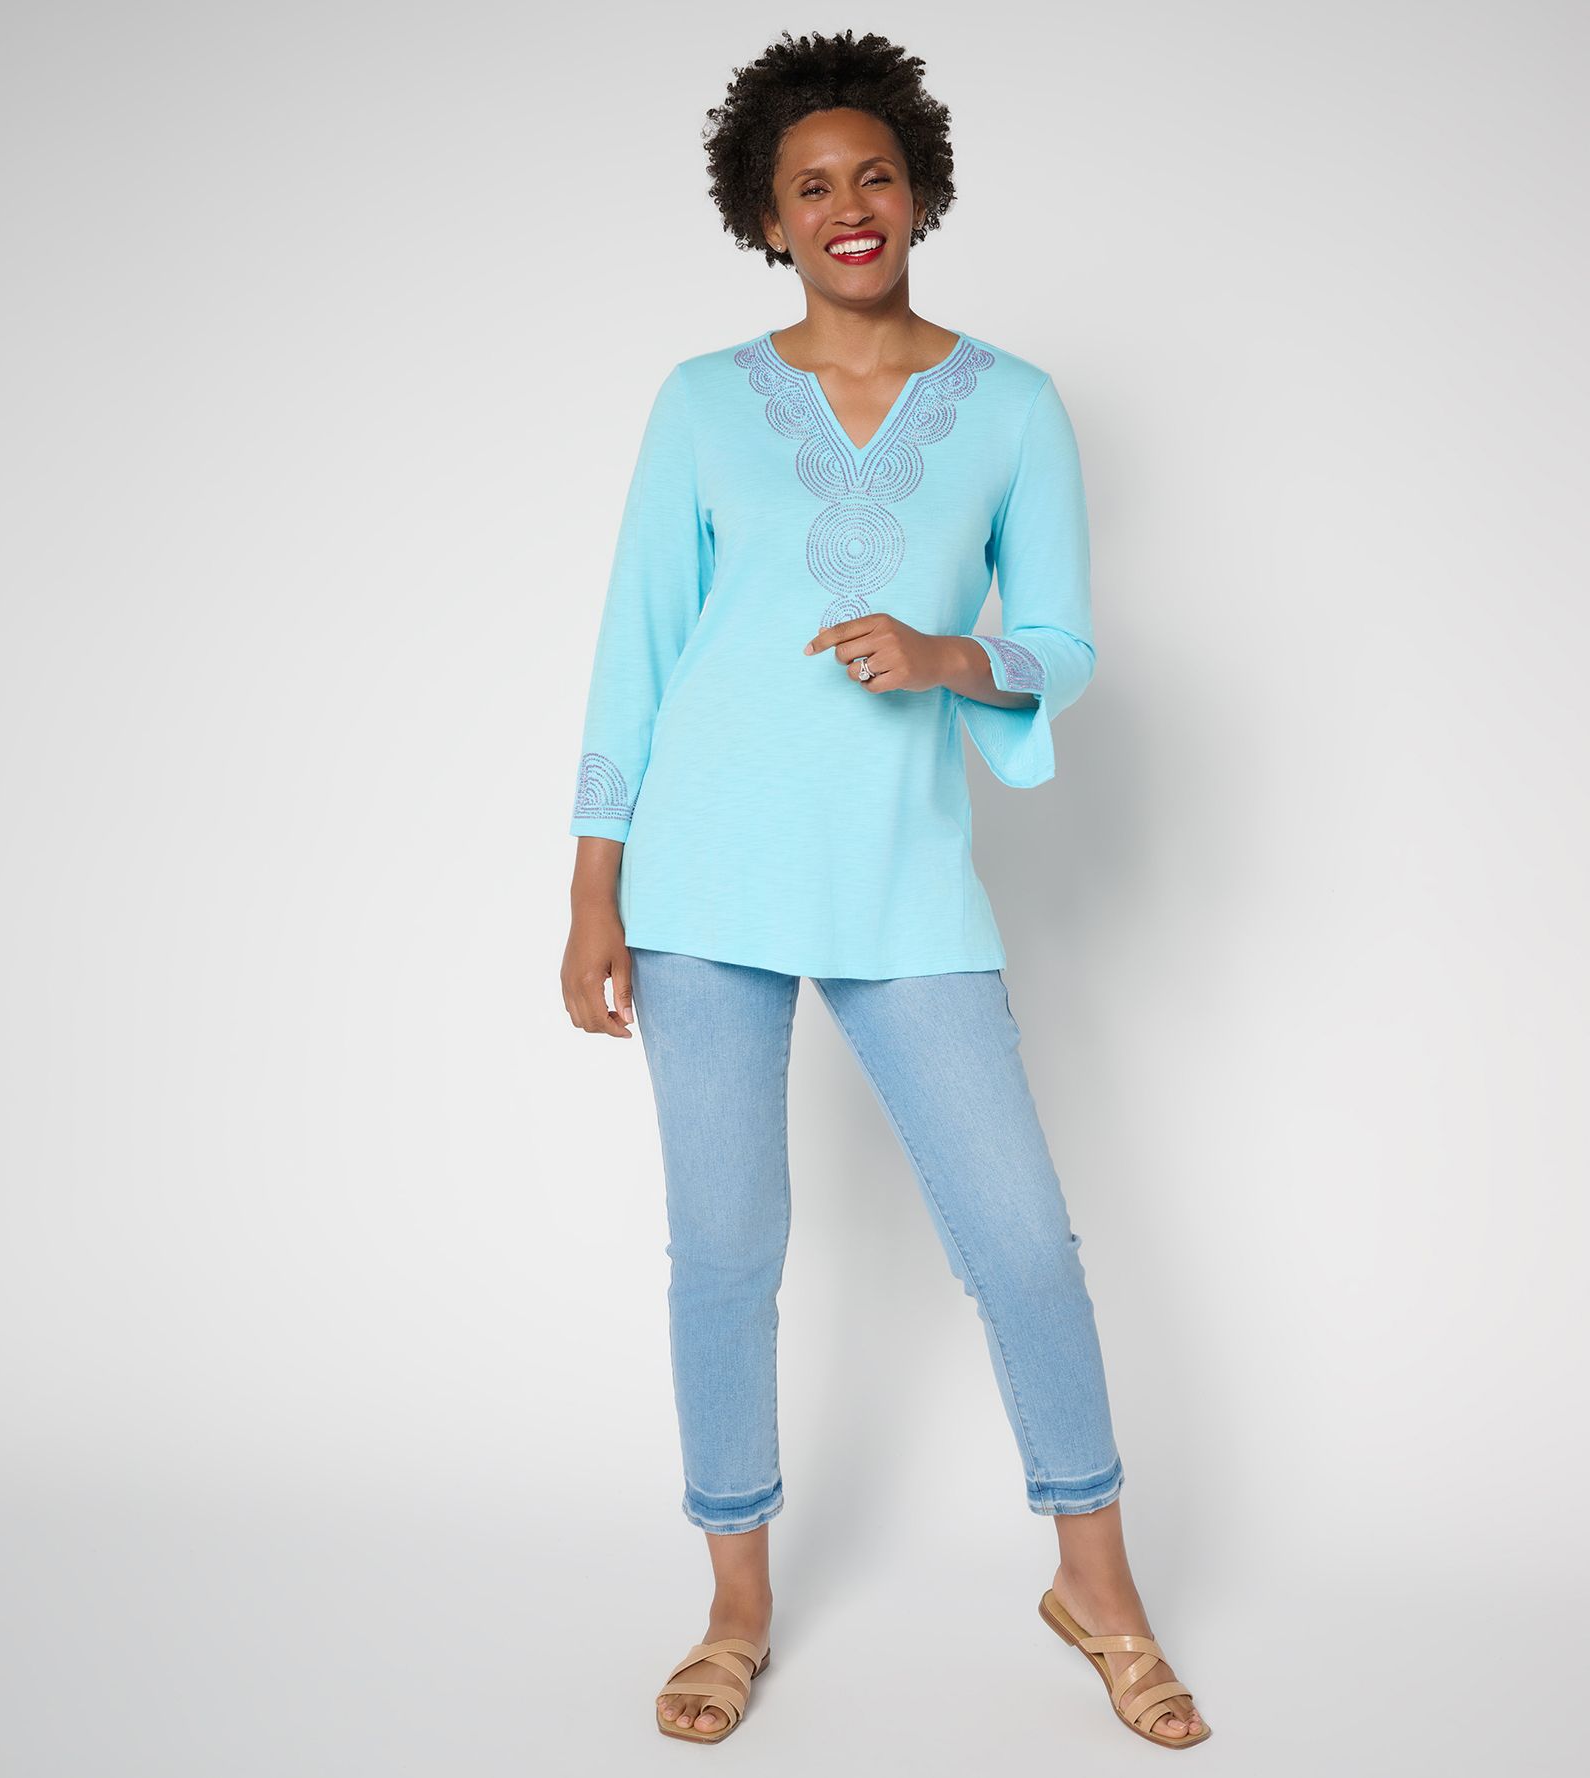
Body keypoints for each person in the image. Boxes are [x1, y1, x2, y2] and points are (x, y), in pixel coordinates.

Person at [560, 29, 1211, 1751]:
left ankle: (1098, 1585)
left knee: (1022, 1243)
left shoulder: (1014, 408)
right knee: (724, 1251)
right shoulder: (702, 402)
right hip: (698, 882)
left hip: (902, 880)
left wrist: (947, 653)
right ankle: (736, 1605)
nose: (847, 205)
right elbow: (635, 650)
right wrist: (594, 886)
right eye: (810, 186)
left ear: (919, 192)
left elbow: (1063, 642)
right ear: (766, 218)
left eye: (874, 175)